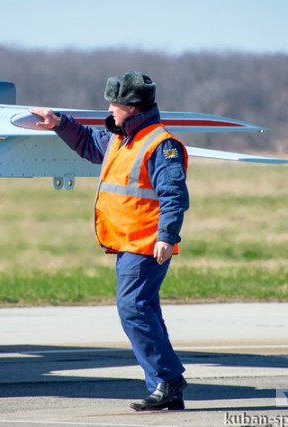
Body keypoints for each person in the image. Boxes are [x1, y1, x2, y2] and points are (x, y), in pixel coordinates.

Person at [30, 71, 188, 411]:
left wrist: (166, 236)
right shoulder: (120, 138)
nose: (110, 109)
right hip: (126, 242)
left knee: (132, 308)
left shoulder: (161, 144)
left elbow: (174, 195)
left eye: (115, 104)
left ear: (131, 107)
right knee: (144, 310)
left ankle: (168, 378)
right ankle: (166, 387)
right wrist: (60, 123)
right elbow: (89, 144)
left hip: (146, 243)